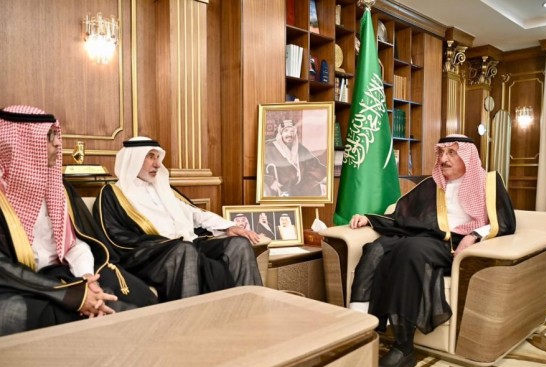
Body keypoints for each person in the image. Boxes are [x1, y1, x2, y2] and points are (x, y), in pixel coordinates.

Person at [348, 134, 516, 367]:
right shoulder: (432, 185)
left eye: (452, 153)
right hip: (422, 237)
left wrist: (474, 235)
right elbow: (402, 217)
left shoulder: (488, 182)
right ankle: (359, 328)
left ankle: (404, 348)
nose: (444, 159)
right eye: (441, 152)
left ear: (468, 156)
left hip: (453, 245)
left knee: (410, 250)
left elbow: (505, 221)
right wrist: (369, 219)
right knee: (376, 248)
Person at [0, 105, 157, 336]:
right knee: (17, 313)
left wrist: (86, 278)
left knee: (135, 296)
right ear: (22, 145)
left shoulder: (57, 189)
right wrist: (73, 294)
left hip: (63, 273)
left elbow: (74, 243)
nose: (58, 144)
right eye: (49, 137)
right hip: (21, 283)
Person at [94, 137, 263, 302]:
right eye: (151, 157)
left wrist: (228, 227)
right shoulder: (113, 193)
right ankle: (190, 318)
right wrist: (164, 244)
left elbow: (196, 214)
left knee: (238, 244)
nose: (157, 164)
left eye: (158, 157)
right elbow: (115, 236)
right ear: (133, 159)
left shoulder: (162, 188)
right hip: (149, 256)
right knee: (184, 250)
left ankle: (251, 310)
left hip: (185, 245)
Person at [264, 119, 327, 197]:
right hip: (280, 188)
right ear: (281, 133)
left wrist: (325, 175)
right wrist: (271, 181)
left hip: (299, 187)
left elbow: (313, 163)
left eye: (292, 131)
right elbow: (260, 168)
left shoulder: (299, 147)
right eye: (286, 131)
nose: (289, 134)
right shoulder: (269, 148)